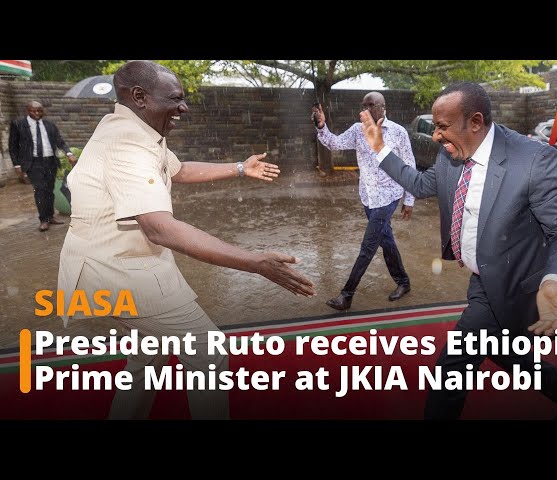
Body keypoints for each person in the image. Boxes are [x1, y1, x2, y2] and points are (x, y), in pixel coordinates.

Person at [58, 60, 316, 420]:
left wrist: (240, 168)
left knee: (150, 354)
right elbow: (160, 228)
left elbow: (178, 170)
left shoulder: (132, 126)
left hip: (116, 266)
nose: (184, 107)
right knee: (209, 350)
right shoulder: (128, 143)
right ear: (139, 97)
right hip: (120, 273)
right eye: (176, 99)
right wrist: (254, 262)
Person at [360, 81, 557, 420]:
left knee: (451, 366)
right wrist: (380, 148)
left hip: (519, 285)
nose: (435, 136)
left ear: (475, 122)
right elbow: (418, 183)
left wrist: (555, 280)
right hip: (481, 281)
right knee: (505, 353)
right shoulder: (450, 157)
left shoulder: (534, 161)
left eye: (442, 127)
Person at [311, 93, 415, 311]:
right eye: (364, 105)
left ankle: (346, 295)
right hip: (368, 196)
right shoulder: (358, 130)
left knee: (368, 246)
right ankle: (403, 282)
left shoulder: (398, 132)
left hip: (389, 195)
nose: (367, 109)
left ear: (383, 107)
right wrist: (322, 126)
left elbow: (409, 165)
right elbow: (335, 143)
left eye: (372, 104)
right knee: (386, 241)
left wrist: (409, 199)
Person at [9, 101, 77, 231]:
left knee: (49, 190)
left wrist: (68, 153)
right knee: (40, 190)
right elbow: (12, 146)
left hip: (50, 162)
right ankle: (43, 219)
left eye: (39, 111)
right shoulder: (19, 125)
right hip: (33, 163)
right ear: (27, 111)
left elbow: (59, 141)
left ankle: (50, 216)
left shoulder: (49, 125)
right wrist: (17, 164)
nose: (36, 113)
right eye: (33, 111)